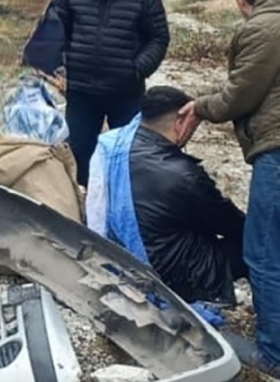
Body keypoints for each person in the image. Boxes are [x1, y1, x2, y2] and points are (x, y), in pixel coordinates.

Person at [178, 0, 280, 377]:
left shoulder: (262, 27)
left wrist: (200, 107)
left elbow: (240, 95)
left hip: (277, 150)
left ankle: (273, 352)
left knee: (263, 251)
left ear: (241, 0)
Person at [86, 86, 247, 307]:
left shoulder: (111, 144)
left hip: (122, 255)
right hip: (172, 275)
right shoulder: (182, 174)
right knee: (258, 240)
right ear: (180, 121)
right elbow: (228, 222)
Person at [46, 0, 171, 188]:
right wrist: (59, 71)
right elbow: (53, 32)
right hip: (82, 93)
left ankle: (121, 214)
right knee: (79, 154)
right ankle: (81, 213)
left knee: (126, 158)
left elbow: (158, 38)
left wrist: (138, 69)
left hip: (125, 93)